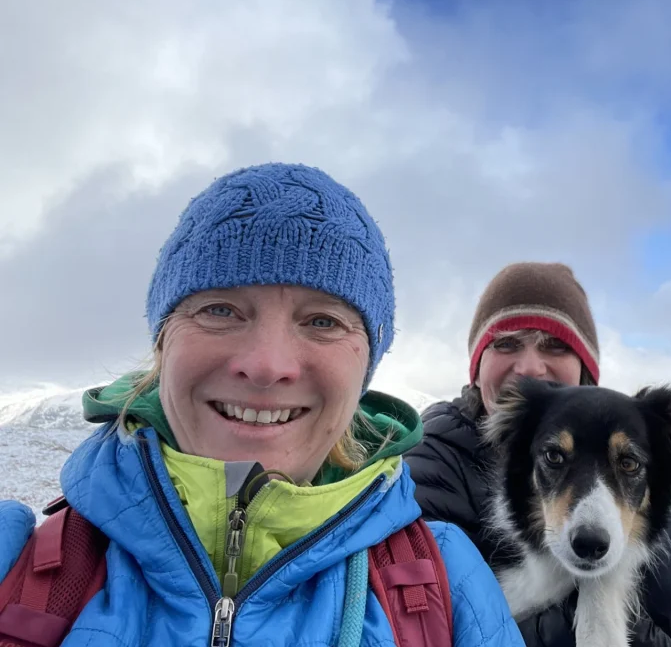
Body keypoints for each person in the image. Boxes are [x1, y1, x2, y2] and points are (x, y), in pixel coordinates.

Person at [0, 163, 524, 647]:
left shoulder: (447, 582)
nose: (268, 364)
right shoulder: (12, 559)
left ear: (365, 367)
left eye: (323, 321)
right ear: (163, 345)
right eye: (221, 309)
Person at [405, 262, 671, 647]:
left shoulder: (650, 485)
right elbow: (425, 631)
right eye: (505, 343)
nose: (528, 367)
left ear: (584, 370)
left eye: (555, 345)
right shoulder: (426, 468)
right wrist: (617, 617)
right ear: (476, 366)